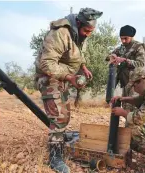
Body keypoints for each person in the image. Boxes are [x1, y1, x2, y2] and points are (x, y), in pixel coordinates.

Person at [34, 8, 103, 173]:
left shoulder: (79, 34)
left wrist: (83, 68)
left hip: (62, 78)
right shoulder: (60, 34)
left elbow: (79, 53)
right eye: (86, 31)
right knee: (59, 117)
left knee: (64, 115)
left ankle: (58, 142)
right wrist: (70, 76)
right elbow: (47, 64)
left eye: (91, 31)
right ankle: (55, 158)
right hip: (48, 77)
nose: (88, 34)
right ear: (78, 23)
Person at [106, 25, 145, 110]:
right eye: (121, 38)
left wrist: (125, 60)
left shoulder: (138, 47)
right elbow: (107, 57)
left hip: (135, 82)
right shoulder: (121, 48)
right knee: (125, 106)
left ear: (132, 37)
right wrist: (112, 56)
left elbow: (140, 63)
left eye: (125, 38)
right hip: (125, 81)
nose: (123, 41)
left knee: (133, 107)